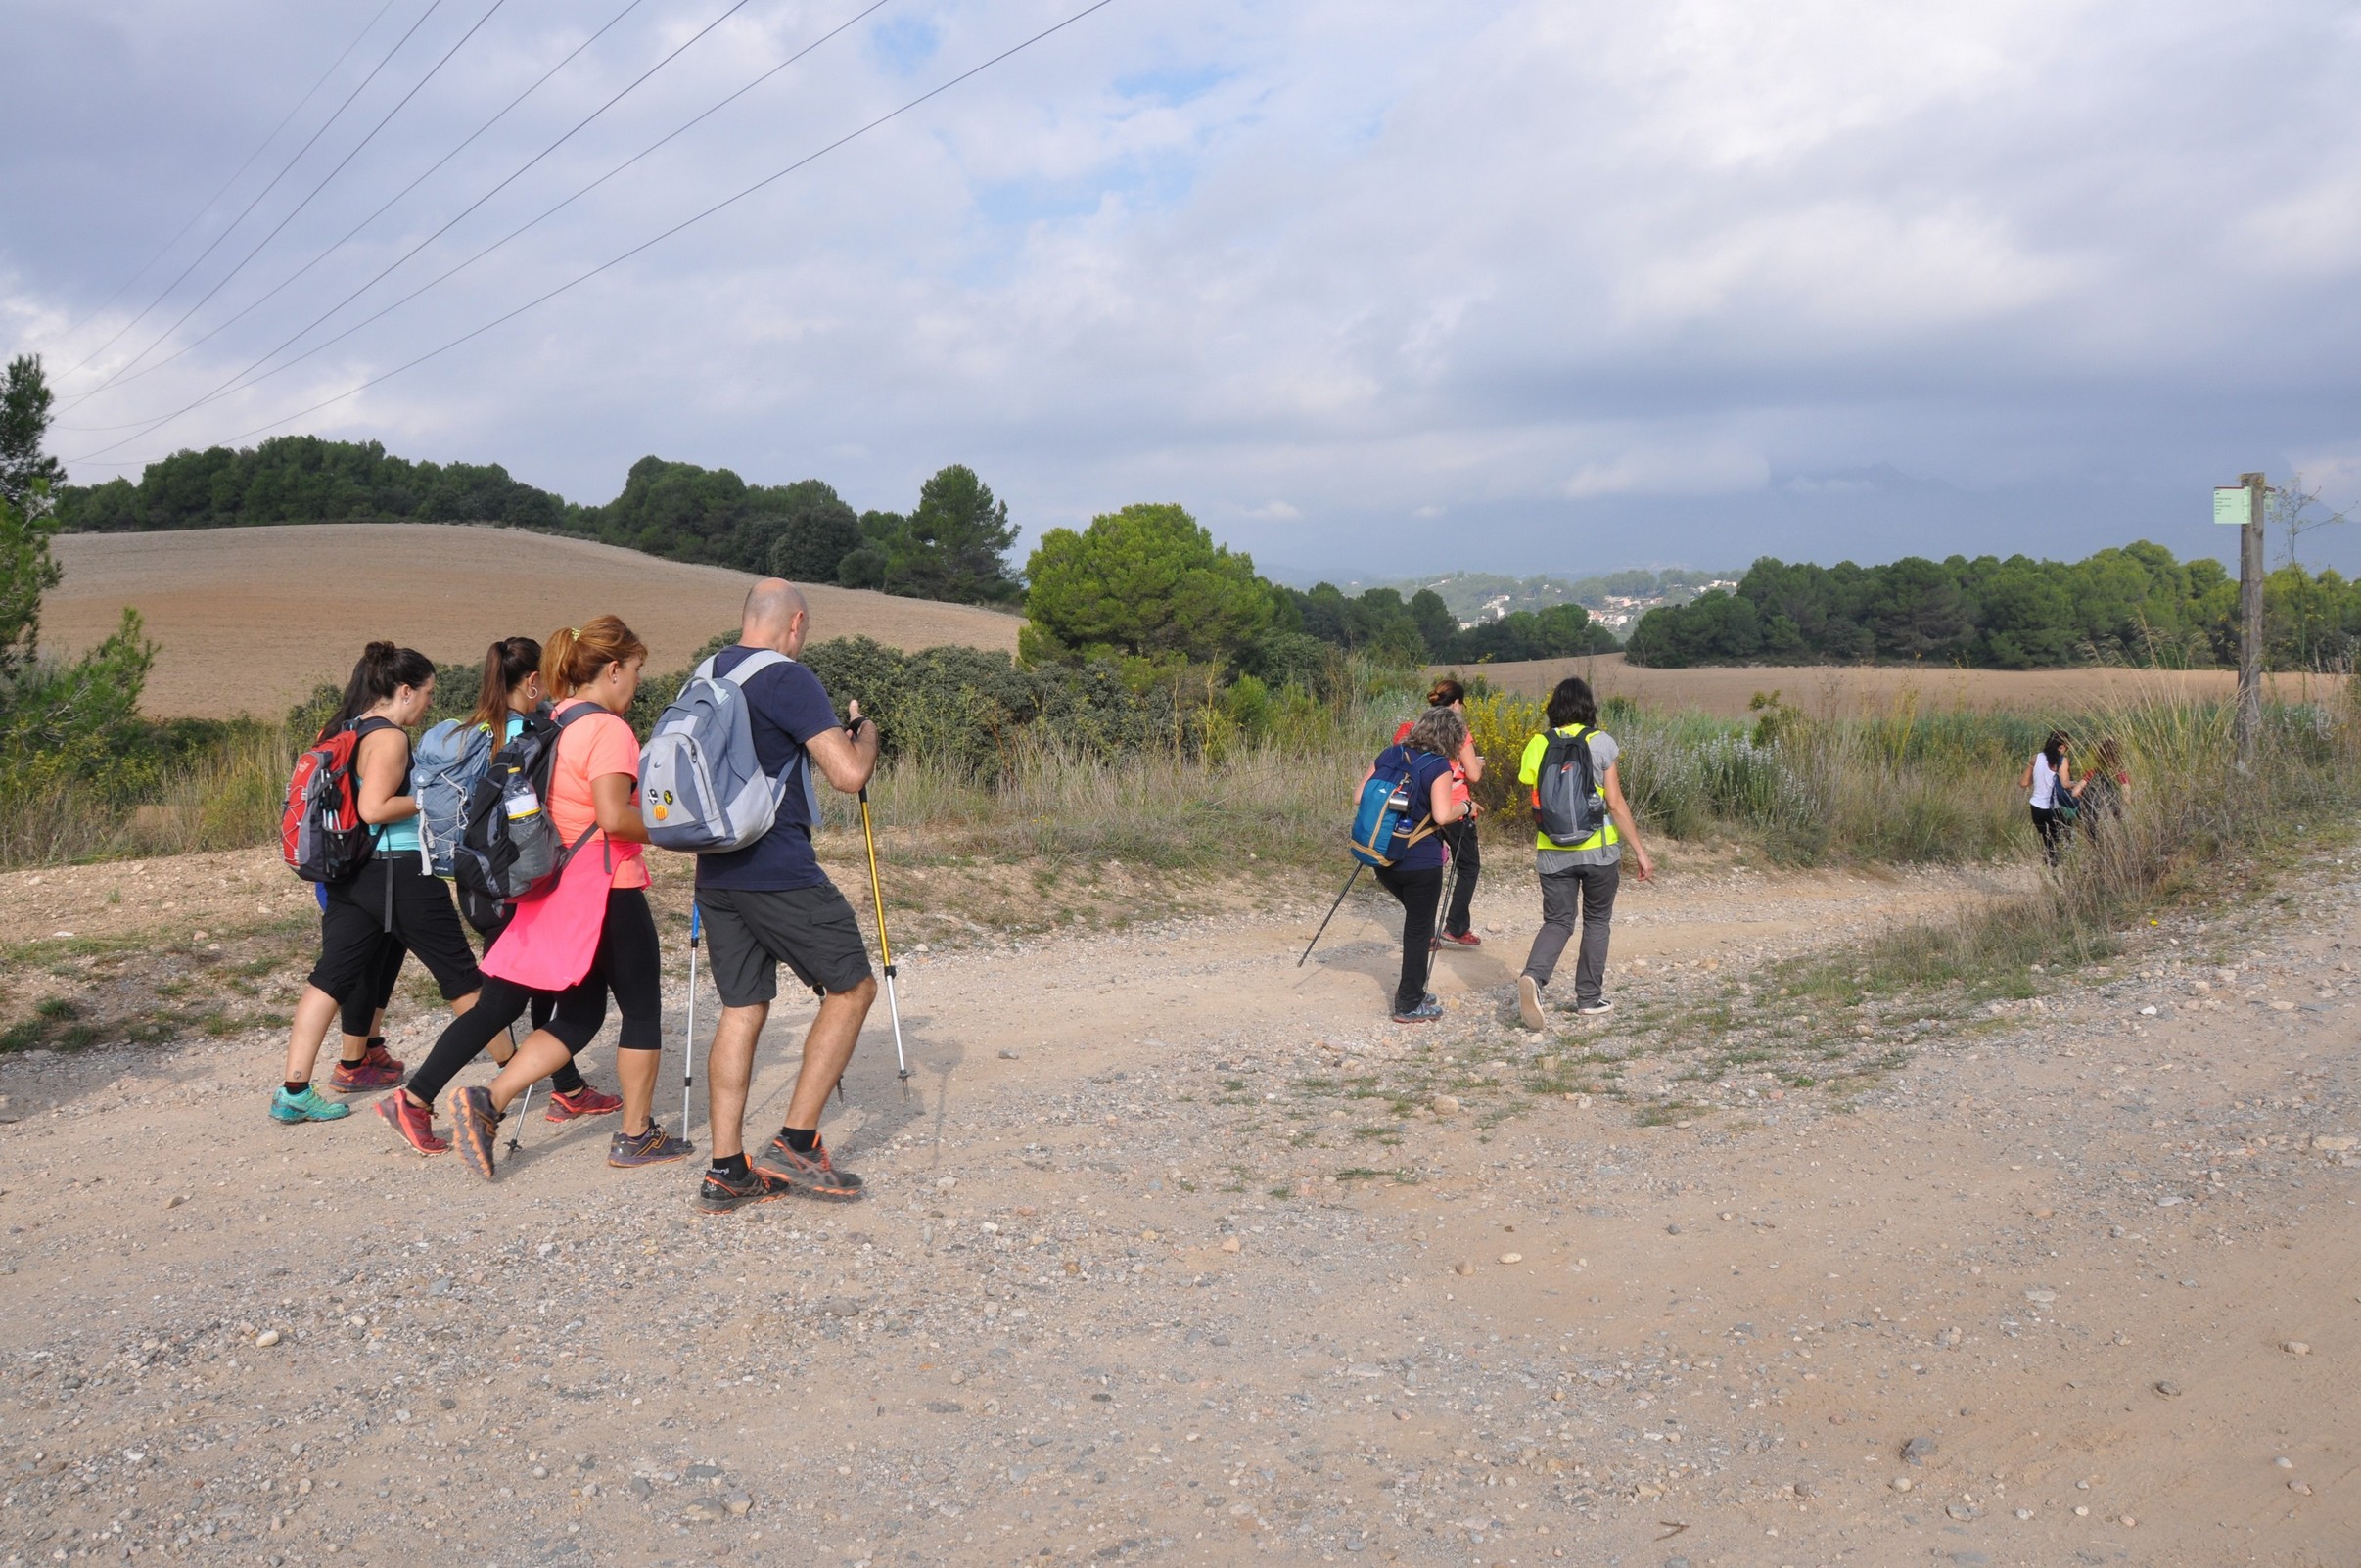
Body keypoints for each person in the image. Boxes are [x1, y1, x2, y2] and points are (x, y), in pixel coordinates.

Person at [403, 618, 689, 1177]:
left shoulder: (555, 720)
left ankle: (488, 1100)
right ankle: (636, 1135)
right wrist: (678, 830)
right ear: (613, 669)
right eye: (636, 670)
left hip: (556, 887)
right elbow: (613, 816)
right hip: (607, 886)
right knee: (641, 1010)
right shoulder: (608, 730)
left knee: (580, 1014)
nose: (637, 682)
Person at [373, 637, 621, 1153]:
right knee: (501, 1002)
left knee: (542, 986)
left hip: (476, 883)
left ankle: (569, 1088)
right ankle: (414, 1099)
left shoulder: (467, 731)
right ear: (531, 681)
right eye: (542, 683)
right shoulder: (531, 736)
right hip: (517, 885)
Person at [691, 579, 883, 1215]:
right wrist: (865, 732)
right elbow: (847, 773)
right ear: (795, 623)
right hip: (777, 868)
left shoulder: (705, 674)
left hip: (716, 870)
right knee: (853, 988)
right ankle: (797, 1144)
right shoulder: (786, 677)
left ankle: (726, 1171)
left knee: (742, 1009)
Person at [271, 644, 483, 1124]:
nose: (429, 702)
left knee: (329, 978)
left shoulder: (343, 728)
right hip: (395, 869)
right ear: (405, 690)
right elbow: (374, 809)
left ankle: (293, 1091)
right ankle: (527, 1074)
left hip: (349, 872)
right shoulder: (389, 738)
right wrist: (433, 799)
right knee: (461, 976)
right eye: (427, 693)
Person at [1514, 677, 1653, 1031]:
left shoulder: (1537, 744)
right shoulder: (1600, 742)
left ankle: (1534, 976)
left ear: (1554, 708)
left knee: (1558, 921)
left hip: (1552, 850)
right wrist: (1639, 850)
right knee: (1596, 921)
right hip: (1599, 851)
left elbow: (1536, 795)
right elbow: (1615, 803)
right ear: (1588, 707)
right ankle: (1589, 998)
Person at [1354, 705, 1478, 1025]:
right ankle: (1409, 1002)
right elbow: (1442, 815)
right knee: (1419, 929)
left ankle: (1415, 990)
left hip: (1383, 858)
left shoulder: (1390, 754)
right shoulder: (1439, 766)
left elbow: (1359, 796)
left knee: (1417, 922)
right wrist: (1465, 806)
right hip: (1420, 861)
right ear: (1451, 738)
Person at [1393, 677, 1483, 946]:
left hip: (1420, 806)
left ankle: (1427, 931)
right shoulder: (1459, 732)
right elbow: (1474, 775)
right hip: (1454, 806)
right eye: (1462, 704)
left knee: (1429, 867)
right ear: (1456, 703)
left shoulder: (1415, 728)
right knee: (1468, 866)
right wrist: (1477, 764)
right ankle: (1455, 926)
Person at [2019, 730, 2074, 866]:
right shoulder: (2062, 760)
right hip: (2055, 808)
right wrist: (2081, 784)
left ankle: (2050, 867)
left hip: (2036, 808)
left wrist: (2039, 777)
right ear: (2063, 746)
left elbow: (2023, 783)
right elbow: (2065, 784)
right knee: (2067, 839)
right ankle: (2063, 868)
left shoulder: (2036, 758)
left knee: (2048, 842)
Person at [2074, 736, 2129, 843]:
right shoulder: (2121, 775)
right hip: (2113, 820)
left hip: (2094, 819)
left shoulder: (2092, 773)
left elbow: (2074, 792)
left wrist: (2085, 794)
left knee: (2095, 843)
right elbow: (2127, 800)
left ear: (2099, 756)